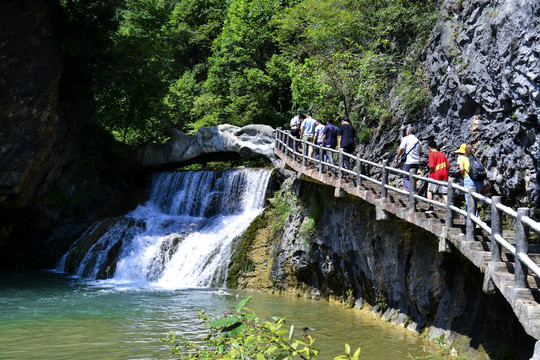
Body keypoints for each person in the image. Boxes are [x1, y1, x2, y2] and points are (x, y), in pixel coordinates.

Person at [455, 143, 483, 211]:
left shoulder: (461, 157)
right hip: (479, 181)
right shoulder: (474, 157)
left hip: (469, 180)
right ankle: (466, 220)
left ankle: (476, 220)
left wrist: (462, 173)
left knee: (470, 203)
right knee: (473, 202)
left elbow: (461, 169)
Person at [394, 126, 423, 191]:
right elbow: (421, 153)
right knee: (413, 178)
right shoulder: (418, 141)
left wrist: (397, 158)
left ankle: (410, 194)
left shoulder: (406, 139)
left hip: (408, 162)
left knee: (405, 177)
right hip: (416, 162)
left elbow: (401, 149)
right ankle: (414, 193)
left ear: (407, 132)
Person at [425, 140, 449, 214]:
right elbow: (448, 165)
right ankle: (449, 209)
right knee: (444, 194)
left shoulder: (431, 154)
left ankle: (431, 207)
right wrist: (444, 170)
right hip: (444, 176)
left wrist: (430, 173)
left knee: (429, 191)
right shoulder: (442, 154)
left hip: (435, 175)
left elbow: (431, 166)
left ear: (429, 147)